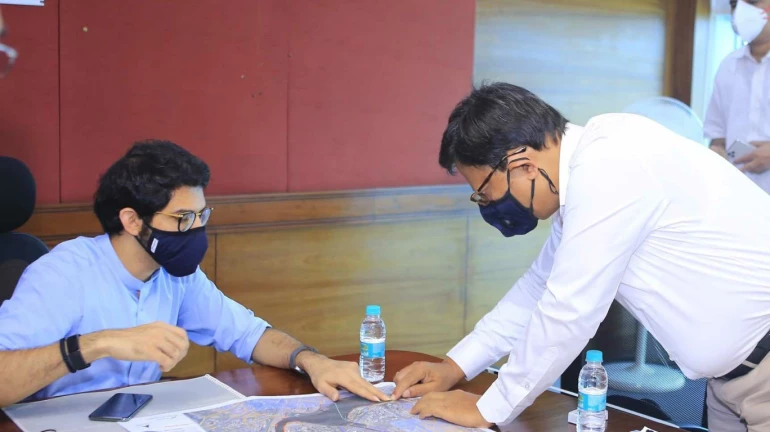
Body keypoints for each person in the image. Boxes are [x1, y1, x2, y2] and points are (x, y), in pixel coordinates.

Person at [392, 83, 770, 431]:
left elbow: (568, 309)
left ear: (523, 165)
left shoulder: (610, 165)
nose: (489, 206)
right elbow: (537, 290)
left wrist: (489, 408)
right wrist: (454, 366)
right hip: (732, 382)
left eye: (486, 194)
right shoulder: (588, 171)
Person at [0, 141, 390, 406]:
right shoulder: (62, 274)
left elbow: (250, 335)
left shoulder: (176, 273)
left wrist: (312, 361)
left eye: (201, 215)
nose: (196, 230)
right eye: (183, 219)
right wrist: (96, 344)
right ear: (133, 221)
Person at [706, 0, 770, 192]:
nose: (740, 10)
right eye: (735, 4)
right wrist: (716, 152)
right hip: (738, 196)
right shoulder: (728, 66)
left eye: (751, 2)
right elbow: (717, 136)